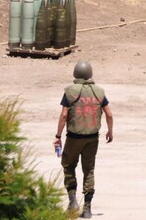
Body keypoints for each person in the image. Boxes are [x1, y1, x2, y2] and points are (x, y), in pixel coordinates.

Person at [56, 60, 114, 217]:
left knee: (68, 166)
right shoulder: (99, 92)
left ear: (75, 73)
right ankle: (87, 207)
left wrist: (58, 136)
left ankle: (72, 200)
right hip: (92, 138)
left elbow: (63, 115)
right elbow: (109, 114)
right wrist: (110, 131)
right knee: (89, 170)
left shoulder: (69, 91)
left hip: (74, 137)